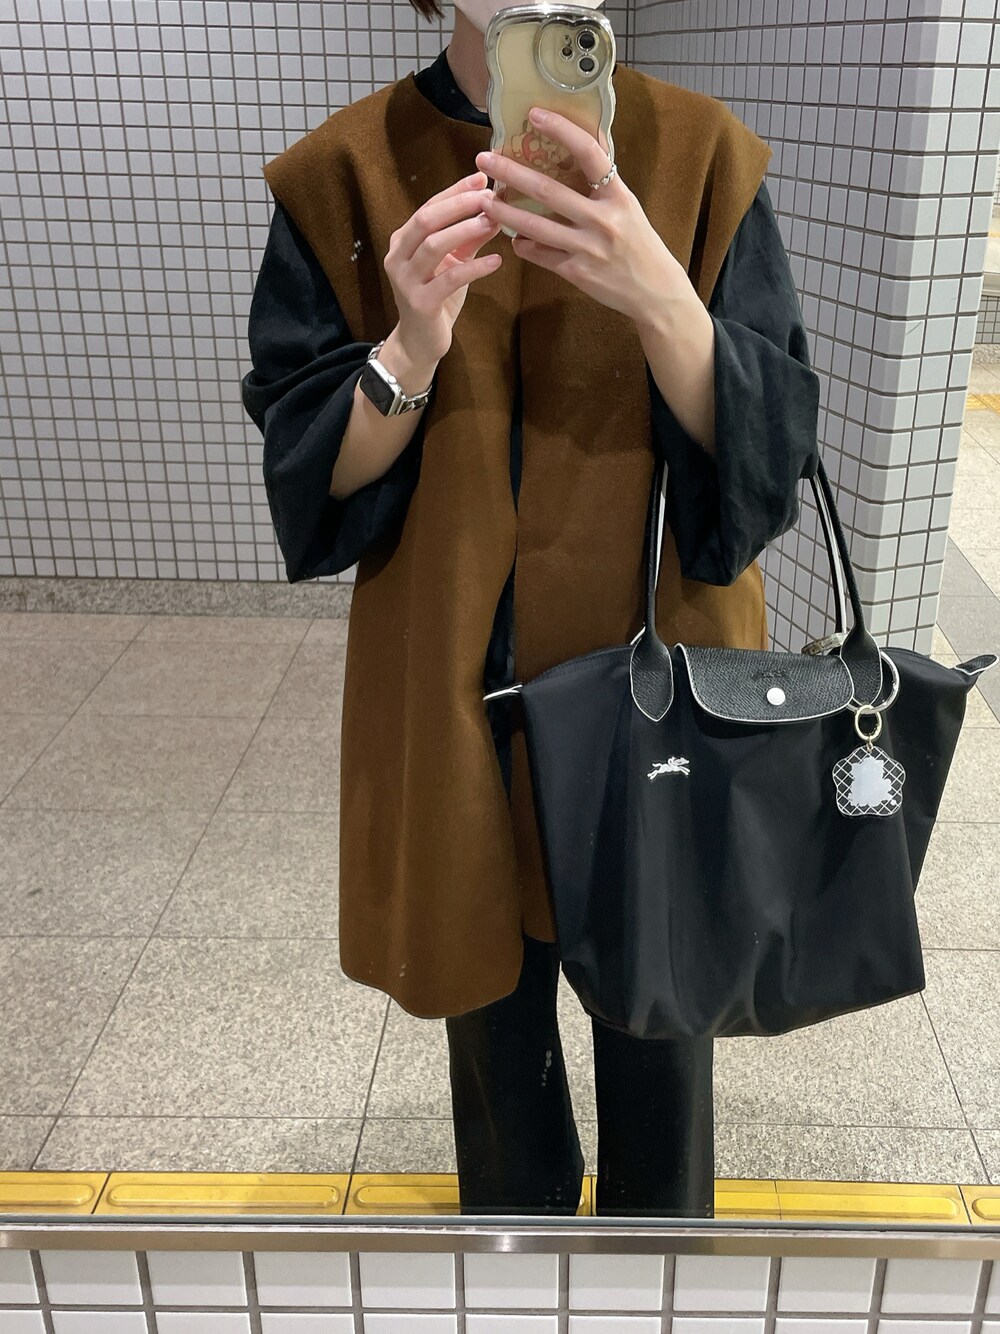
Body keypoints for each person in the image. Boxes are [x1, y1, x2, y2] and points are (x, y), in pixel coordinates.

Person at [241, 0, 820, 1218]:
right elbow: (312, 477)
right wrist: (407, 347)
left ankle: (660, 1282)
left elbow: (764, 469)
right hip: (460, 692)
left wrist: (660, 298)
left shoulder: (700, 153)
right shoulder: (343, 173)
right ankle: (515, 1275)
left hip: (663, 696)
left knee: (664, 1052)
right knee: (497, 1064)